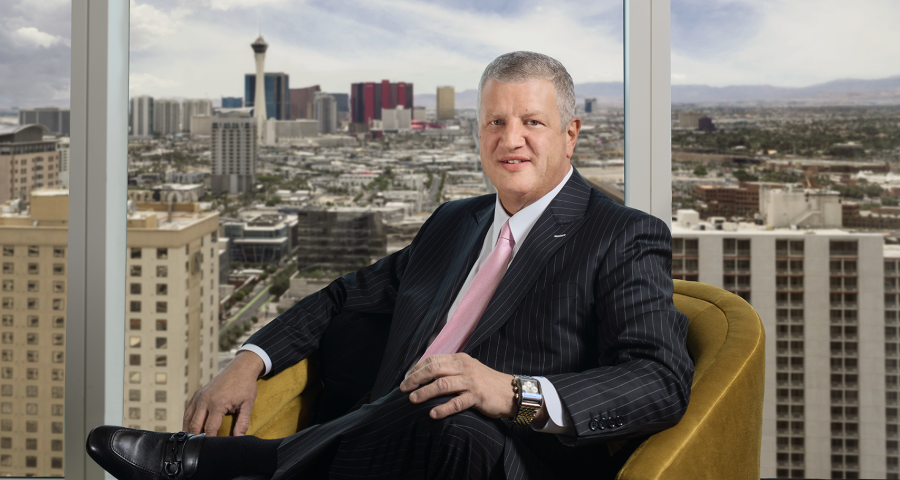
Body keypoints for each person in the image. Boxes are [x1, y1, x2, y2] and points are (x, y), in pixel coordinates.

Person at [87, 51, 693, 480]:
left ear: (571, 134)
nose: (513, 139)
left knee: (450, 417)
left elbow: (660, 380)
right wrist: (250, 358)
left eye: (533, 121)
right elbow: (344, 296)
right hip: (397, 433)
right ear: (478, 133)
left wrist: (510, 393)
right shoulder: (455, 221)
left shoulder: (623, 235)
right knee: (426, 404)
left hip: (512, 455)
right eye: (495, 121)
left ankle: (221, 465)